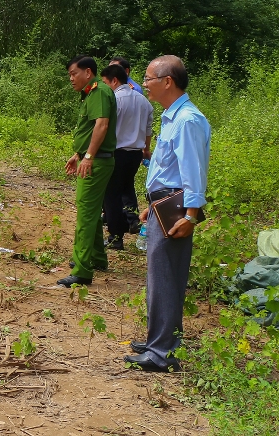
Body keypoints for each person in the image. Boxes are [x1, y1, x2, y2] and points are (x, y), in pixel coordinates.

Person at [125, 55, 210, 372]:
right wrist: (151, 202)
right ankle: (158, 341)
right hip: (164, 203)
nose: (143, 84)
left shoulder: (187, 120)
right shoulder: (173, 117)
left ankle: (163, 353)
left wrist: (190, 216)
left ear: (167, 81)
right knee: (158, 276)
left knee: (166, 277)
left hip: (177, 207)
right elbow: (168, 168)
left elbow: (193, 172)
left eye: (147, 79)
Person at [59, 56, 117, 287]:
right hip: (94, 158)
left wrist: (90, 156)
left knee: (85, 214)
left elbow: (102, 124)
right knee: (91, 211)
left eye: (74, 73)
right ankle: (97, 258)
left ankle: (82, 270)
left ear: (88, 72)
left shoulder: (99, 92)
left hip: (98, 161)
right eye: (70, 75)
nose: (71, 79)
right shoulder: (91, 93)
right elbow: (91, 128)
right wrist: (79, 154)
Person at [100, 63, 154, 249]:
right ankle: (131, 220)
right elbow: (148, 129)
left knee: (112, 195)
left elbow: (106, 128)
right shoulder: (143, 101)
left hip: (117, 152)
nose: (104, 86)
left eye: (105, 82)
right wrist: (146, 149)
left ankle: (116, 237)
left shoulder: (114, 99)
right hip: (135, 155)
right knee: (126, 187)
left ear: (114, 80)